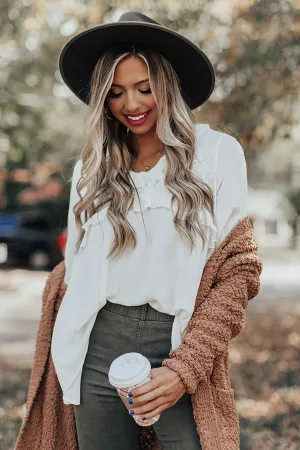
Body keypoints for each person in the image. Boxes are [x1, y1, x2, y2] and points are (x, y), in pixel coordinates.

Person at [50, 11, 254, 450]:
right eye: (116, 93)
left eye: (145, 88)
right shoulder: (91, 168)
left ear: (169, 86)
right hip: (97, 345)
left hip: (180, 340)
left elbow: (239, 271)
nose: (132, 104)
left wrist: (186, 367)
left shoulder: (218, 154)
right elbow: (75, 268)